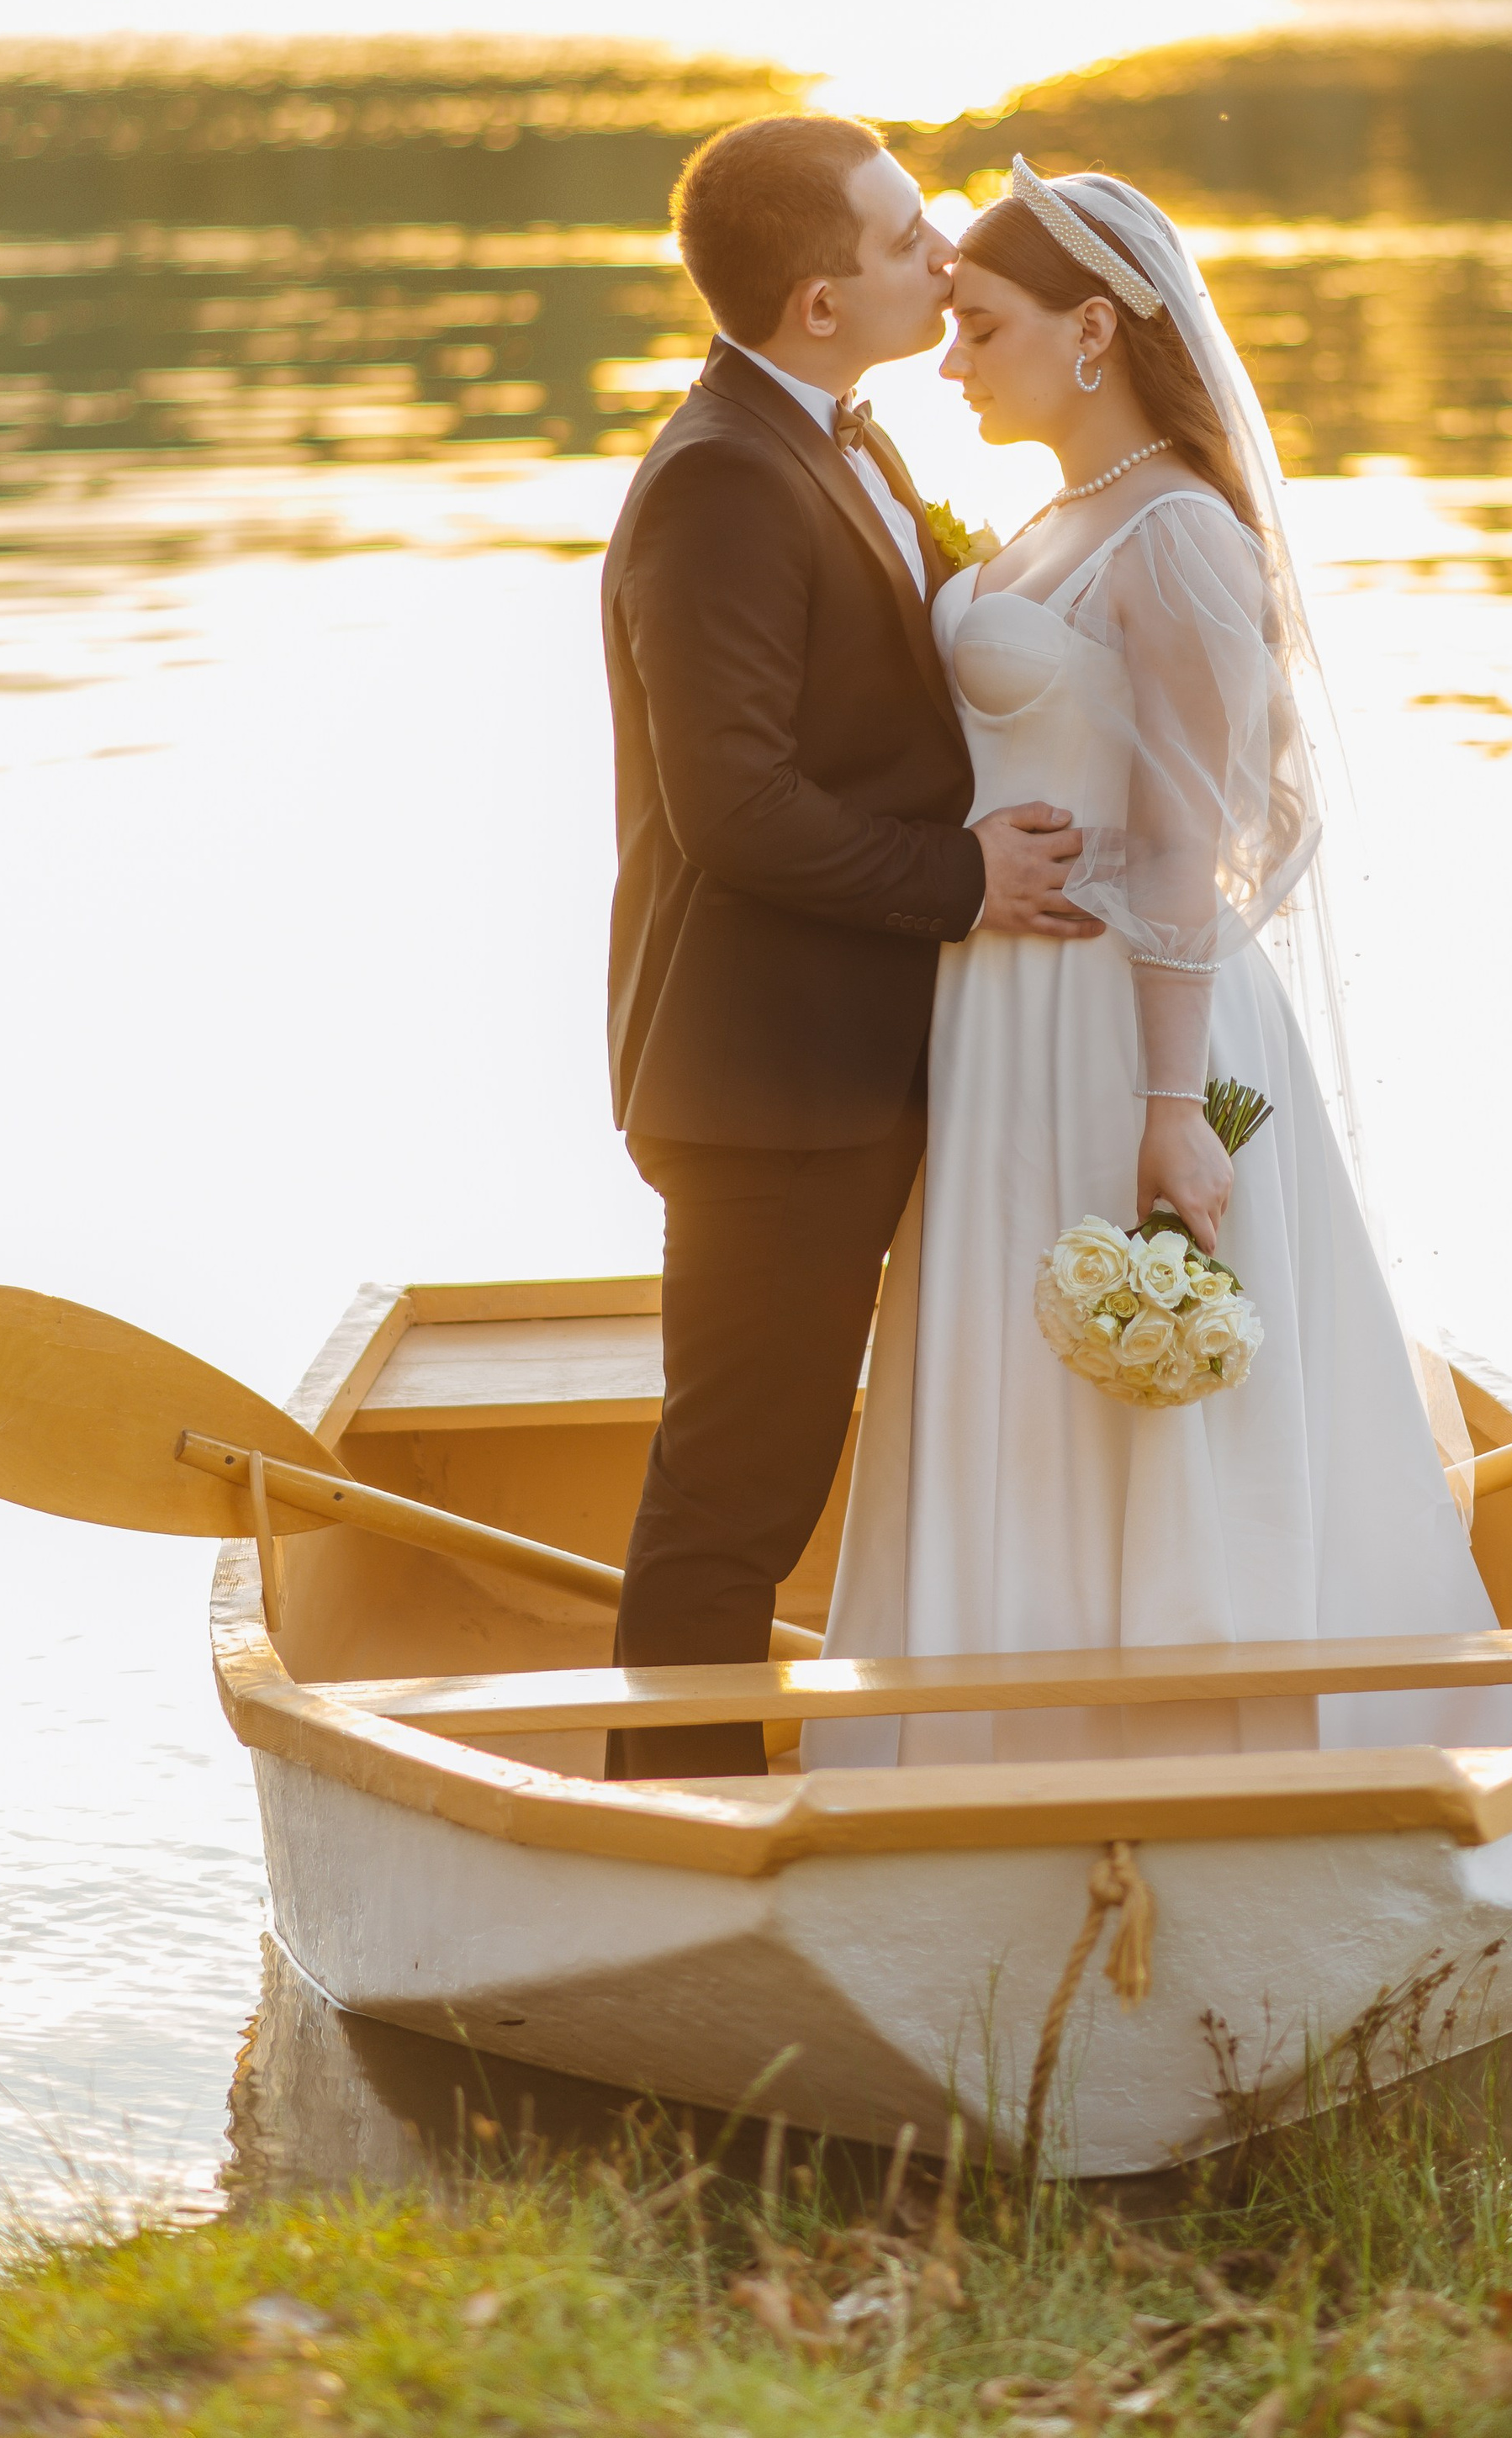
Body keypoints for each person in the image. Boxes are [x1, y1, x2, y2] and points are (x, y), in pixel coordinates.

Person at [811, 159, 1512, 1764]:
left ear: (1092, 331)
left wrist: (1170, 1101)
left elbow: (1193, 842)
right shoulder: (1056, 519)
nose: (948, 357)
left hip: (1129, 1032)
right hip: (1002, 1017)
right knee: (1017, 1383)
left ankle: (1201, 1750)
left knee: (1151, 1396)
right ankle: (993, 1738)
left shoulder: (1181, 535)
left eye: (978, 327)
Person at [600, 114, 1099, 1782]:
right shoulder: (724, 480)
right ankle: (675, 1843)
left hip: (872, 1051)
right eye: (906, 241)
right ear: (820, 301)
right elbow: (732, 806)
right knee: (738, 1484)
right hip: (769, 1078)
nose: (943, 254)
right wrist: (961, 878)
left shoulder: (844, 437)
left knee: (786, 1461)